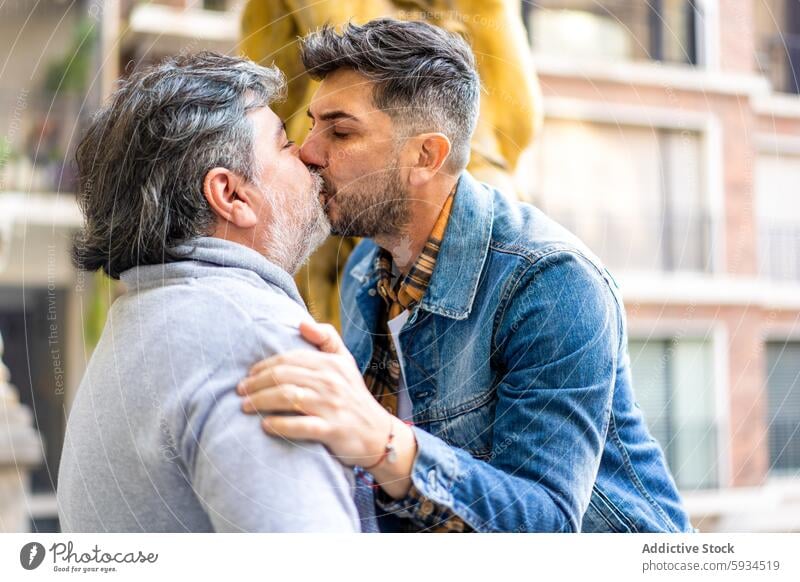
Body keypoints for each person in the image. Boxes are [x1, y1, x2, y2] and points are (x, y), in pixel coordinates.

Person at [237, 19, 694, 533]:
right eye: (313, 123)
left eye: (340, 131)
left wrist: (384, 442)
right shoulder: (365, 272)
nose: (308, 151)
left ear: (425, 156)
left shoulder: (551, 282)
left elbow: (546, 524)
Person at [57, 52, 365, 532]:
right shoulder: (257, 342)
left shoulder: (139, 323)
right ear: (232, 195)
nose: (308, 155)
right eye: (284, 145)